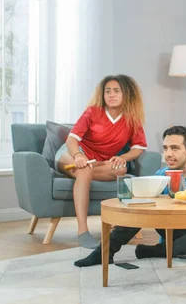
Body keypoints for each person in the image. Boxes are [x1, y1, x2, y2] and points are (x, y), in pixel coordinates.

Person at [74, 126, 186, 267]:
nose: (168, 154)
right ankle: (104, 253)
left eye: (175, 148)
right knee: (141, 206)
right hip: (174, 229)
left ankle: (158, 251)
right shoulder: (161, 175)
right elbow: (142, 205)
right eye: (165, 148)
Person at [56, 74, 147, 249]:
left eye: (116, 91)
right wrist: (79, 157)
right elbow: (71, 140)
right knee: (83, 170)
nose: (111, 95)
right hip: (73, 154)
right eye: (107, 91)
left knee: (120, 170)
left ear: (126, 94)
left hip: (96, 162)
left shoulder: (132, 119)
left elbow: (138, 148)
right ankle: (83, 231)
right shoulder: (92, 111)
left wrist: (123, 157)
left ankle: (87, 169)